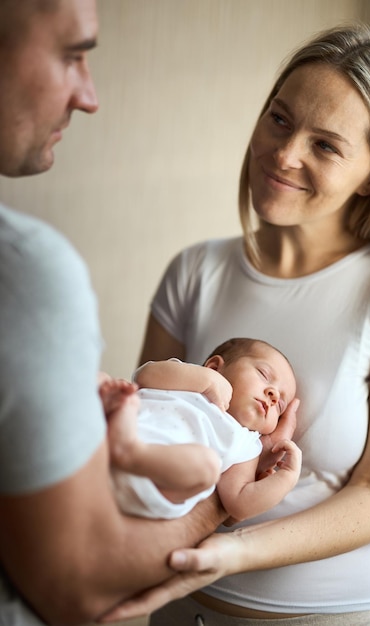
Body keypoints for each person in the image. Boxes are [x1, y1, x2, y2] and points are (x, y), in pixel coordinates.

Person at [106, 22, 370, 626]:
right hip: (182, 608)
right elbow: (145, 425)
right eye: (279, 118)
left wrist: (232, 551)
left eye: (325, 145)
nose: (285, 153)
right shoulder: (194, 271)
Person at [0, 2, 228, 625]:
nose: (90, 96)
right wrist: (227, 506)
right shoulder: (26, 275)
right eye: (73, 54)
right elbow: (82, 585)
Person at [101, 338, 300, 521]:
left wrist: (287, 477)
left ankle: (131, 452)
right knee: (99, 378)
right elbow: (144, 375)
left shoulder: (246, 443)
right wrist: (207, 380)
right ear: (214, 367)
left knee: (208, 467)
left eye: (280, 405)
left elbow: (239, 503)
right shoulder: (190, 381)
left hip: (155, 484)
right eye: (264, 375)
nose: (273, 395)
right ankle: (121, 440)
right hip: (105, 437)